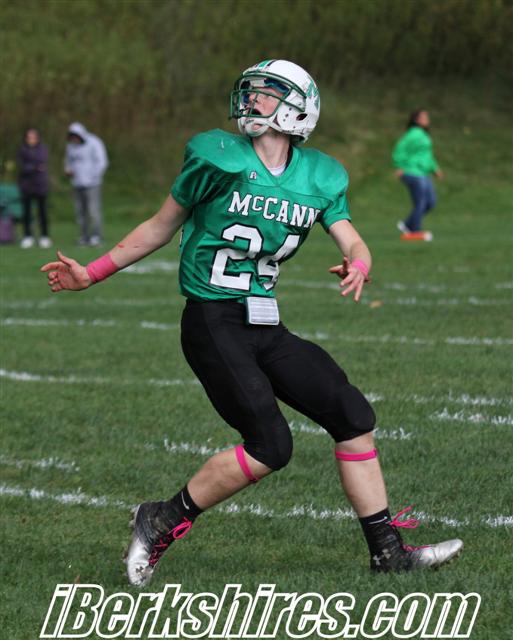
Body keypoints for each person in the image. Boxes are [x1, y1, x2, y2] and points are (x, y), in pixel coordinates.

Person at [42, 60, 462, 587]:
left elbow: (352, 238)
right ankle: (162, 518)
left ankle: (388, 552)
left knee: (353, 416)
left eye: (266, 93)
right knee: (270, 446)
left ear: (299, 108)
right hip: (212, 320)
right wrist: (92, 272)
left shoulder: (320, 175)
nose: (252, 100)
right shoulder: (216, 157)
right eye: (250, 91)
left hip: (264, 322)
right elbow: (161, 226)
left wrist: (358, 263)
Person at [392, 109, 443, 241]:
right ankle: (414, 230)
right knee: (421, 202)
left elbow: (427, 155)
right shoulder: (412, 134)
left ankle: (407, 224)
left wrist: (435, 168)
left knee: (430, 202)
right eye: (424, 117)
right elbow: (400, 149)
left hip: (424, 172)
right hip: (412, 171)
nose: (427, 120)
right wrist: (399, 165)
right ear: (416, 120)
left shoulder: (423, 135)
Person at [64, 122, 108, 246]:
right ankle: (84, 236)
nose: (74, 138)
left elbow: (102, 162)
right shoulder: (71, 146)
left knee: (93, 211)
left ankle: (96, 236)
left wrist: (93, 176)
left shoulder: (94, 142)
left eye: (76, 136)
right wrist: (68, 170)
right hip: (77, 183)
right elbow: (68, 161)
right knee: (80, 212)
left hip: (92, 183)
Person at [17, 128, 51, 248]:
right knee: (27, 213)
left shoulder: (42, 149)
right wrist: (35, 167)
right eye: (29, 137)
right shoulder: (22, 150)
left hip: (40, 186)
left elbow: (42, 162)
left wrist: (31, 166)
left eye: (34, 137)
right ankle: (28, 236)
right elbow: (23, 167)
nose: (31, 140)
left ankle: (44, 236)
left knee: (42, 212)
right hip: (26, 186)